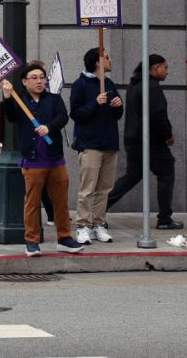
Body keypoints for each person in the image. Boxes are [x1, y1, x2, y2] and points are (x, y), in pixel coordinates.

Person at [1, 61, 84, 257]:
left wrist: (49, 127)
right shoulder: (20, 100)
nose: (39, 81)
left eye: (41, 78)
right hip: (33, 160)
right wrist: (6, 97)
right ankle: (32, 241)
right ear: (24, 81)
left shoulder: (53, 99)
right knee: (32, 203)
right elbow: (11, 117)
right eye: (34, 78)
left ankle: (64, 238)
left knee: (61, 202)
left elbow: (63, 117)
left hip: (55, 160)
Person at [106, 53, 183, 230]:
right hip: (150, 140)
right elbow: (158, 115)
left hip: (133, 138)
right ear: (155, 68)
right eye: (165, 67)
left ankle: (99, 209)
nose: (167, 72)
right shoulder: (152, 87)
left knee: (132, 175)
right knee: (166, 172)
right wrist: (167, 135)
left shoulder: (135, 84)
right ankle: (164, 218)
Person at [69, 46, 124, 244]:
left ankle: (99, 224)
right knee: (87, 188)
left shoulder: (108, 83)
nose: (110, 60)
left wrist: (118, 105)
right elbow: (76, 114)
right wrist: (95, 103)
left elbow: (117, 115)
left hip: (109, 142)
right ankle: (83, 225)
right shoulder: (80, 84)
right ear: (97, 62)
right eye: (107, 57)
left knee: (105, 188)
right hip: (90, 143)